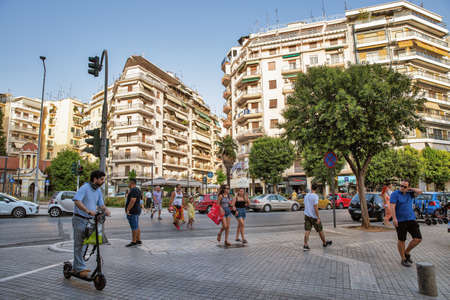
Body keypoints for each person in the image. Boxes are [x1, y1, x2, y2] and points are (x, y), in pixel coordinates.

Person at [72, 170, 111, 278]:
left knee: (85, 244)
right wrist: (87, 210)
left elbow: (101, 204)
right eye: (102, 179)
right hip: (80, 219)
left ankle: (77, 267)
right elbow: (76, 200)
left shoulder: (98, 190)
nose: (103, 181)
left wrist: (106, 210)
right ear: (95, 179)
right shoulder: (85, 188)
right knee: (79, 245)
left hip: (90, 221)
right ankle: (80, 268)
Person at [390, 180, 422, 267]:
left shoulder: (410, 194)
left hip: (411, 219)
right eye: (401, 185)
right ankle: (403, 258)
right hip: (400, 220)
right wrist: (394, 218)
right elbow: (392, 207)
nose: (402, 187)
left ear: (407, 187)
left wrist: (410, 189)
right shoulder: (395, 194)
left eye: (404, 186)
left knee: (418, 238)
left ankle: (406, 252)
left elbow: (420, 191)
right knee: (402, 239)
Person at [303, 183, 332, 251]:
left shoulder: (306, 195)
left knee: (307, 230)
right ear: (317, 189)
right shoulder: (315, 196)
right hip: (314, 217)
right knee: (320, 230)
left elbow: (305, 205)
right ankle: (324, 243)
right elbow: (315, 207)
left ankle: (305, 244)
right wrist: (318, 217)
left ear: (311, 187)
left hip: (307, 215)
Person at [125, 179, 142, 247]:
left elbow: (133, 200)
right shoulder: (137, 189)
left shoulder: (134, 190)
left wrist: (128, 209)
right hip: (136, 210)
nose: (128, 184)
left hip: (133, 211)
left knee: (134, 227)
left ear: (131, 183)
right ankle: (138, 240)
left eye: (128, 183)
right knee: (136, 225)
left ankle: (134, 241)